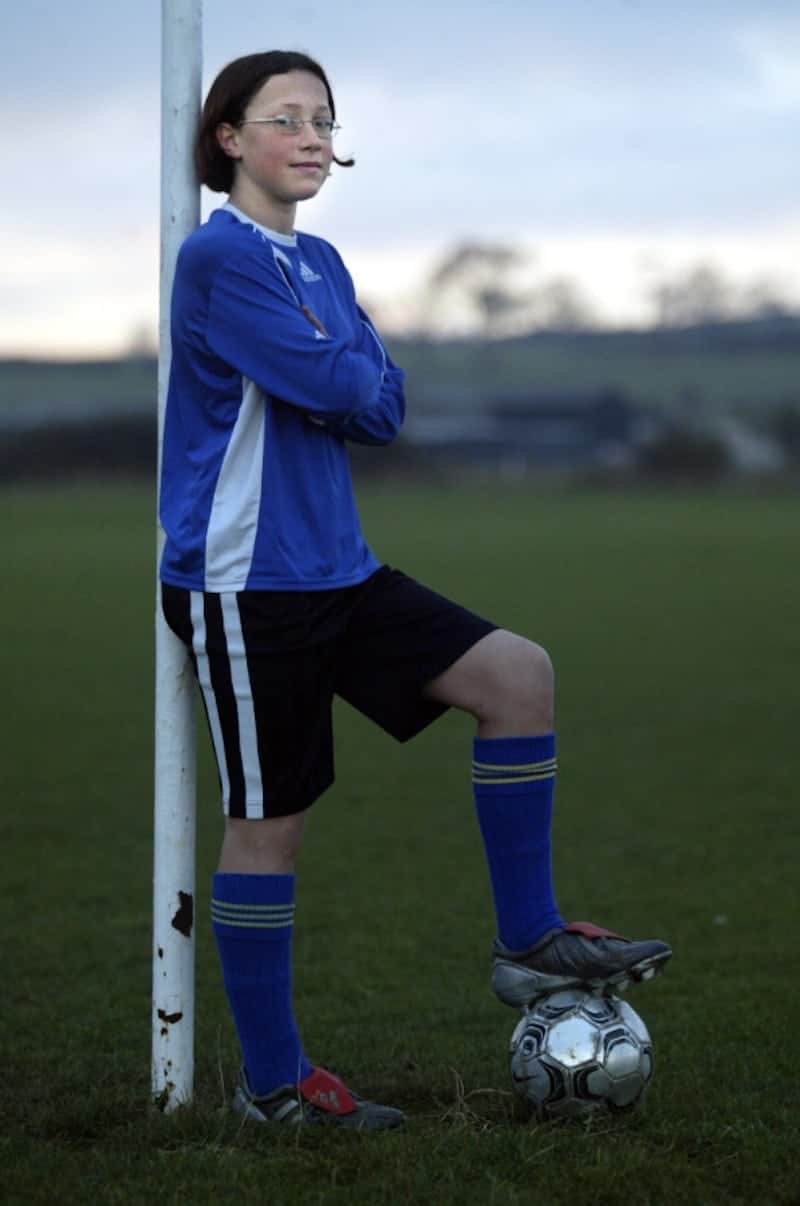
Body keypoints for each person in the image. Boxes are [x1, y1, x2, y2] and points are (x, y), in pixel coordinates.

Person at [159, 49, 671, 1131]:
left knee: (513, 675)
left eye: (323, 120)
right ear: (229, 140)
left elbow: (380, 408)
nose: (310, 137)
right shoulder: (216, 259)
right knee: (269, 825)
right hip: (247, 583)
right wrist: (339, 362)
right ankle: (275, 1089)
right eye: (284, 118)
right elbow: (341, 380)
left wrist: (338, 357)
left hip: (339, 567)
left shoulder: (322, 262)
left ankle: (527, 941)